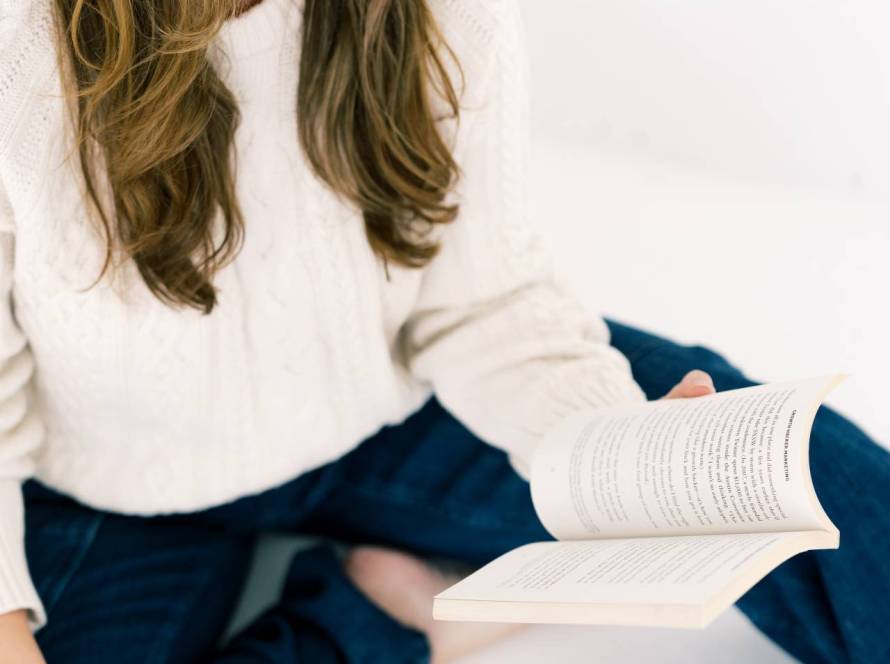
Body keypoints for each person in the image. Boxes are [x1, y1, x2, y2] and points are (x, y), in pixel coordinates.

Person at [0, 0, 887, 662]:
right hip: (107, 488)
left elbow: (485, 300)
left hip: (388, 408)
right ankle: (379, 617)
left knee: (791, 467)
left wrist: (616, 456)